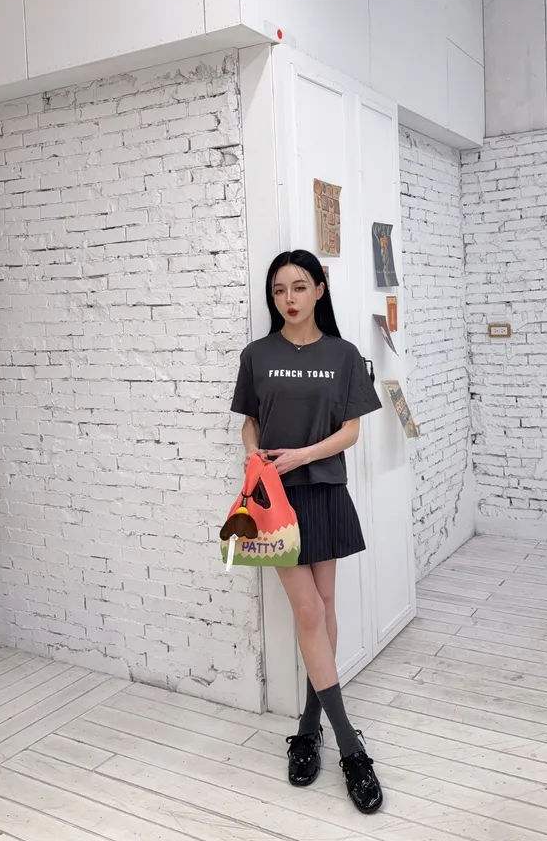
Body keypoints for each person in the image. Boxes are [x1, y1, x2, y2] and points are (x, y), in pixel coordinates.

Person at [231, 249, 384, 814]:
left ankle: (306, 727)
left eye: (299, 287)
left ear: (320, 290)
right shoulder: (258, 354)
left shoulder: (343, 355)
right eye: (279, 290)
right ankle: (350, 747)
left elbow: (350, 432)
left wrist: (301, 456)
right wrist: (257, 458)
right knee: (310, 611)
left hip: (324, 490)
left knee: (325, 606)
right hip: (276, 501)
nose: (289, 299)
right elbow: (251, 422)